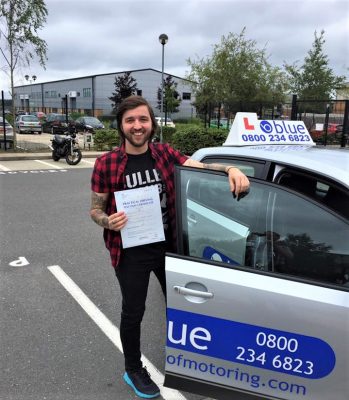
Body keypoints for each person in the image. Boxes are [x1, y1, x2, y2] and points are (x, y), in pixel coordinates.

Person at [90, 95, 250, 398]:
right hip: (130, 252)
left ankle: (186, 356)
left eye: (143, 119)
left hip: (169, 247)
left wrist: (230, 169)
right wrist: (107, 221)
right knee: (133, 312)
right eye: (130, 120)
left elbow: (199, 167)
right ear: (121, 125)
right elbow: (95, 209)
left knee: (181, 305)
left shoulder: (164, 154)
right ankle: (133, 368)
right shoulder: (106, 163)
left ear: (151, 123)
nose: (137, 126)